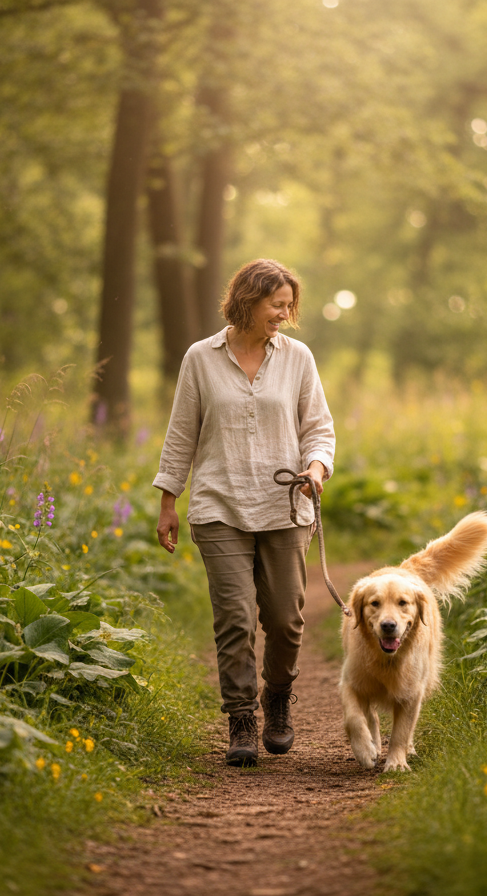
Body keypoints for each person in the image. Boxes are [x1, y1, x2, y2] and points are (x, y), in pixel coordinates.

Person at [153, 258, 336, 767]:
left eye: (288, 305)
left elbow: (319, 429)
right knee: (234, 619)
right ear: (248, 300)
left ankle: (276, 699)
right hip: (219, 503)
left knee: (286, 620)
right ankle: (240, 718)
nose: (284, 313)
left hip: (285, 504)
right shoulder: (200, 357)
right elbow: (181, 432)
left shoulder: (298, 358)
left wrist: (316, 470)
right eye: (276, 304)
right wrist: (169, 501)